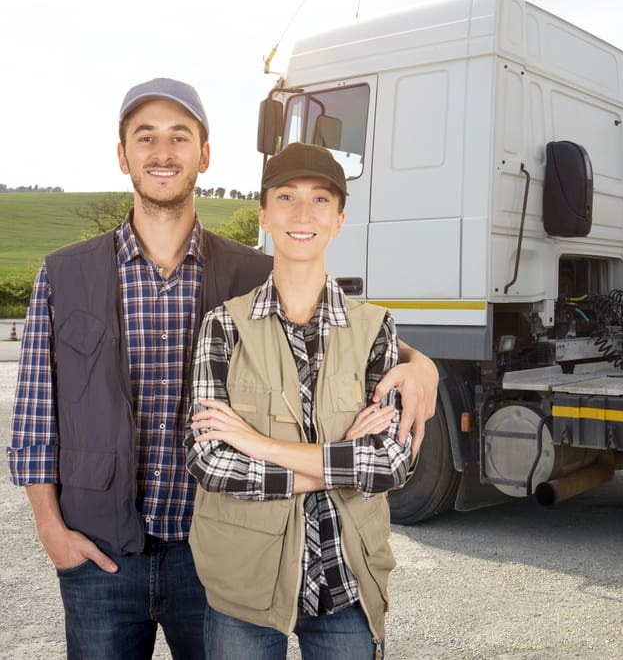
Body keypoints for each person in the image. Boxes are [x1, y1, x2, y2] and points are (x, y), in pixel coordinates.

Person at [6, 78, 438, 659]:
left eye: (180, 137)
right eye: (146, 137)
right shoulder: (63, 275)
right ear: (123, 155)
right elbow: (36, 420)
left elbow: (331, 330)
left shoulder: (254, 272)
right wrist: (50, 531)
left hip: (213, 550)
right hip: (99, 550)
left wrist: (420, 364)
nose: (163, 152)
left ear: (203, 156)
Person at [187, 142, 408, 658]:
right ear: (263, 214)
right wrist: (338, 466)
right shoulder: (224, 326)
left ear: (339, 220)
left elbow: (392, 461)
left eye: (320, 201)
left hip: (346, 579)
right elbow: (208, 458)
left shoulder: (376, 328)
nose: (302, 214)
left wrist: (256, 444)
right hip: (244, 582)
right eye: (286, 197)